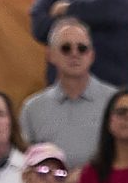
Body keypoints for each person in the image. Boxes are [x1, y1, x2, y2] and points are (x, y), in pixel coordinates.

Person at [21, 17, 117, 171]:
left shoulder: (114, 102)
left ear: (91, 55)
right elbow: (25, 165)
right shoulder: (32, 109)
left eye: (82, 48)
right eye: (66, 48)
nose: (75, 53)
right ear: (50, 55)